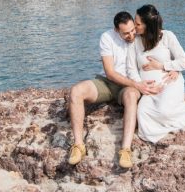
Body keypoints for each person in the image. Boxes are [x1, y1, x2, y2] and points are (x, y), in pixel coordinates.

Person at [66, 11, 172, 169]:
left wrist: (172, 68)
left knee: (130, 96)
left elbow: (164, 50)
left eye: (132, 30)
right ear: (116, 30)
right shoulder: (107, 38)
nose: (131, 35)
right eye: (126, 33)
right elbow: (109, 72)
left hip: (129, 87)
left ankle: (125, 150)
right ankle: (78, 146)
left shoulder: (141, 36)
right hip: (107, 82)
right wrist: (137, 85)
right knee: (76, 91)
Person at [127, 4, 185, 144]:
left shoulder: (167, 36)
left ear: (148, 25)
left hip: (170, 83)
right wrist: (142, 85)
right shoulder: (135, 42)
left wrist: (163, 66)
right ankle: (164, 133)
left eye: (137, 24)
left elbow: (184, 62)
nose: (134, 27)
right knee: (142, 113)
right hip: (149, 90)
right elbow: (131, 69)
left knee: (164, 112)